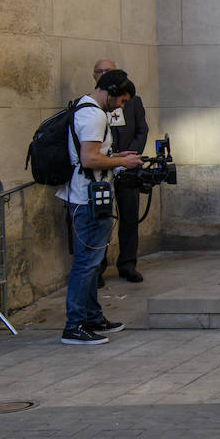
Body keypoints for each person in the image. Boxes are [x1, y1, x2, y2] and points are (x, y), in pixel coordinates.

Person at [57, 69, 143, 345]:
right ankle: (75, 325)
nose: (121, 106)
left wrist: (117, 155)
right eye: (121, 100)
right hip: (88, 200)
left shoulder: (84, 108)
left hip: (87, 198)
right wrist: (122, 162)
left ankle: (92, 317)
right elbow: (89, 159)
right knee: (86, 264)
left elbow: (94, 155)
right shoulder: (94, 114)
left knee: (92, 265)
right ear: (110, 91)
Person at [92, 58, 148, 284]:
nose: (104, 74)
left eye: (109, 71)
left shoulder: (132, 102)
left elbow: (142, 131)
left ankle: (127, 264)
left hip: (126, 167)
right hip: (101, 171)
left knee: (129, 217)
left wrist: (129, 158)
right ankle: (98, 267)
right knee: (101, 219)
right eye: (100, 71)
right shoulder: (90, 106)